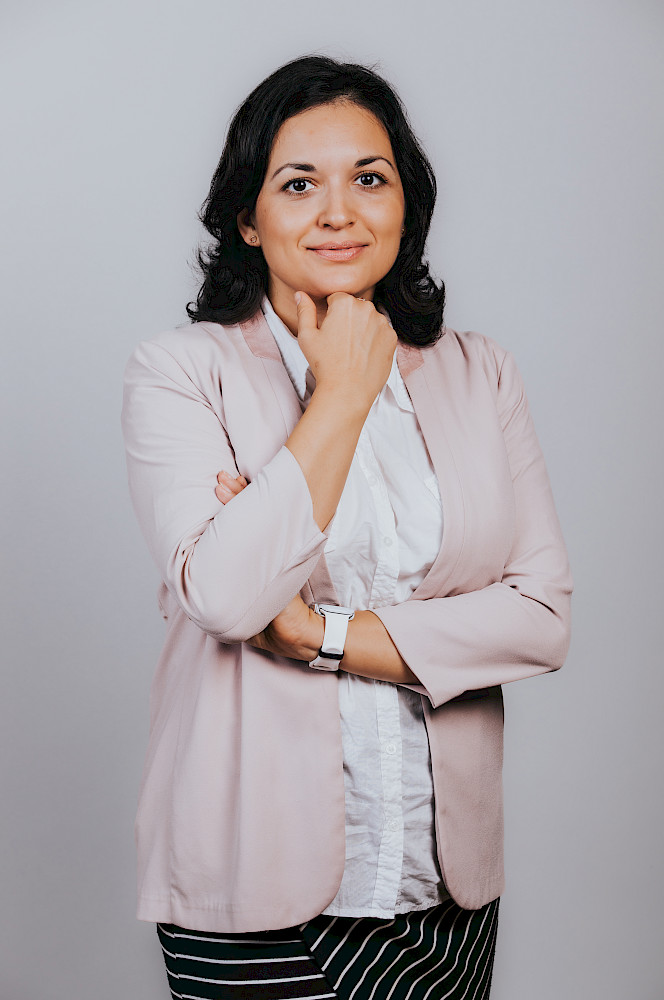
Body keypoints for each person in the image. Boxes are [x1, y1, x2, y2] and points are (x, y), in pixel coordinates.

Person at [121, 54, 572, 1000]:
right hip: (253, 893)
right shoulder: (181, 372)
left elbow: (540, 617)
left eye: (370, 178)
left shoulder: (481, 372)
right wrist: (345, 394)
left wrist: (319, 633)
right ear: (248, 217)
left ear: (407, 205)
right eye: (299, 184)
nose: (339, 213)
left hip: (444, 893)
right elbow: (227, 598)